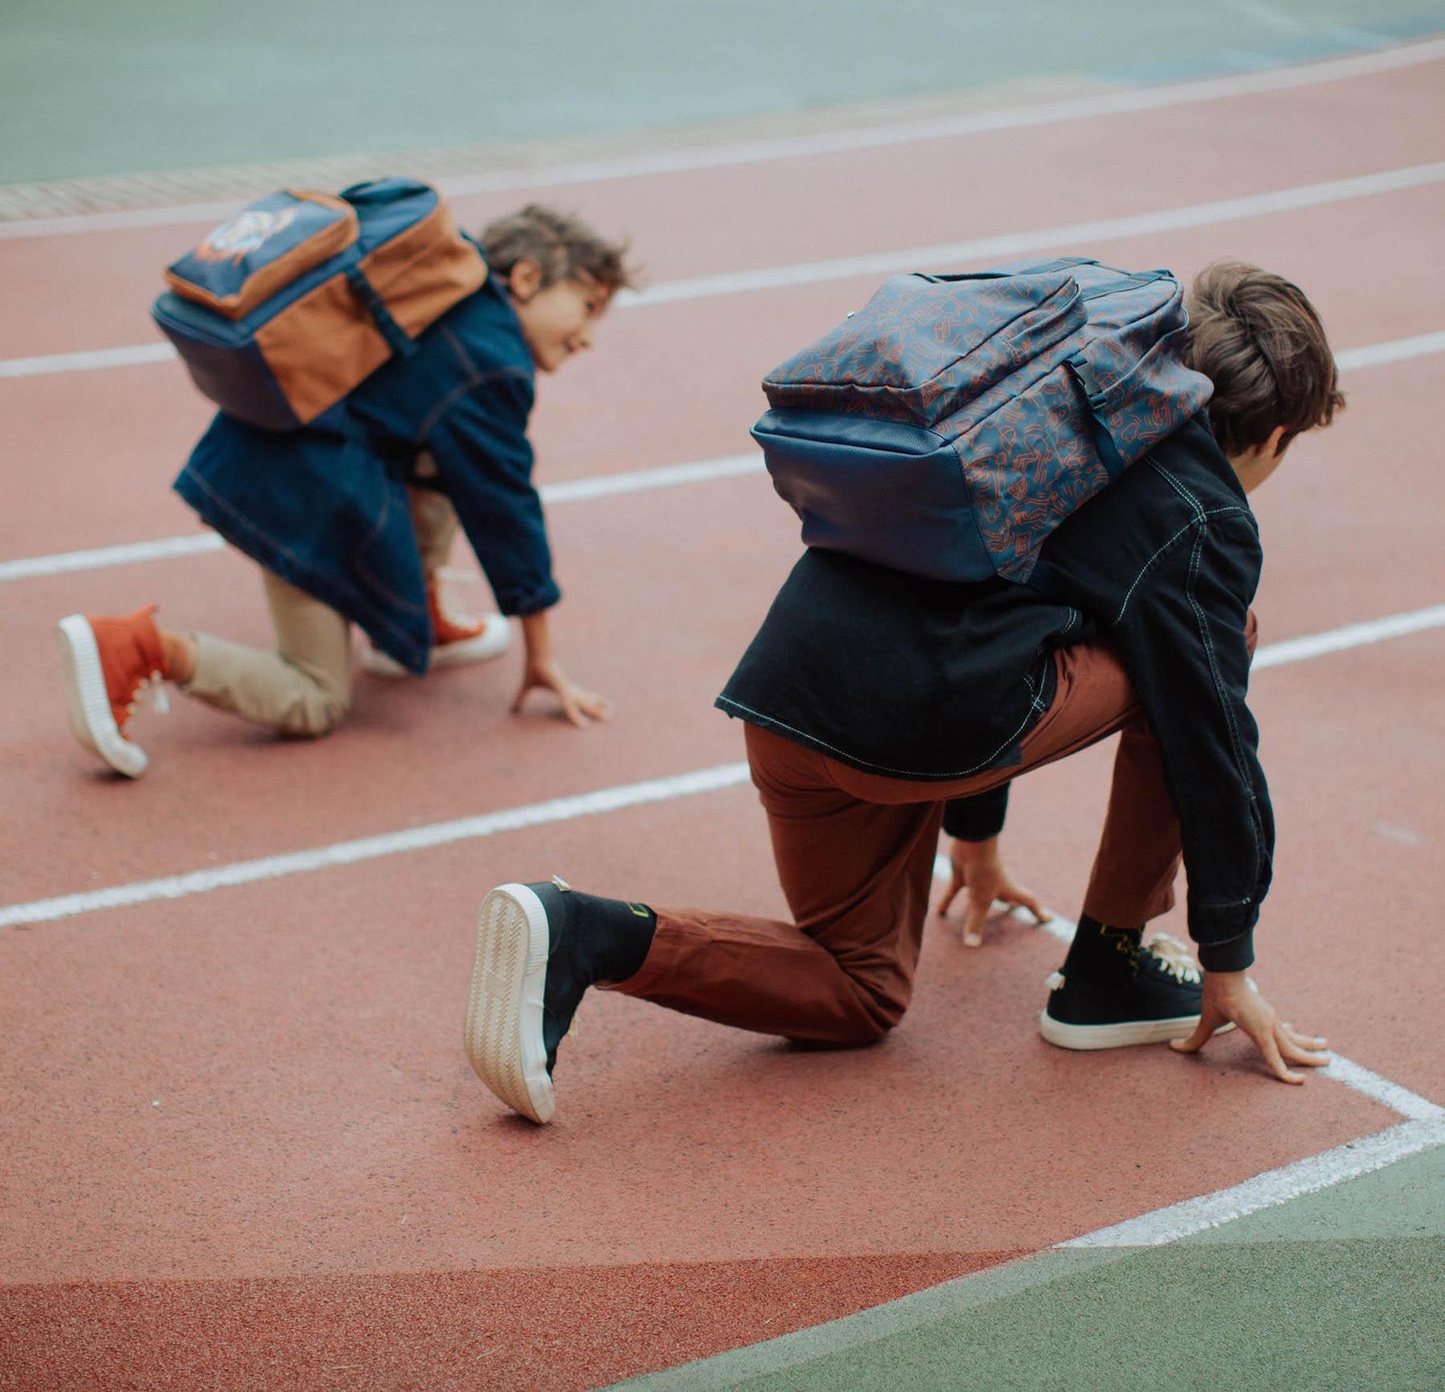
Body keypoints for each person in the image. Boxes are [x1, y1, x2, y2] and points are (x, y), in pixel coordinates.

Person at [463, 260, 1341, 1125]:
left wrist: (976, 842)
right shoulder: (1202, 515)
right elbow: (1213, 737)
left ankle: (582, 932)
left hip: (791, 695)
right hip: (920, 734)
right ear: (1271, 435)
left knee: (859, 989)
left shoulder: (1057, 398)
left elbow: (1004, 585)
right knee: (1204, 657)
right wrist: (1226, 957)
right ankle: (1109, 971)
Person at [56, 205, 636, 778]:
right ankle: (138, 648)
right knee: (314, 701)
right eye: (588, 308)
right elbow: (506, 508)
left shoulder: (441, 296)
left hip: (272, 450)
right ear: (529, 278)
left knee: (444, 463)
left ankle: (420, 615)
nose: (587, 338)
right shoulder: (492, 361)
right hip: (296, 497)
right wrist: (542, 654)